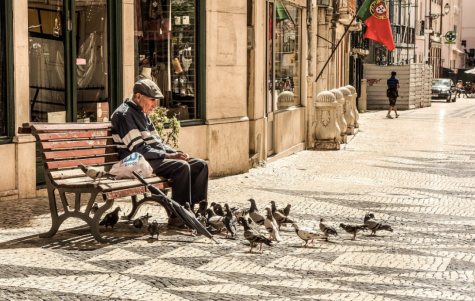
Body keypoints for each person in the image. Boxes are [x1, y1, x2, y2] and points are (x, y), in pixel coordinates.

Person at [110, 79, 208, 228]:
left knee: (200, 165)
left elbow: (158, 144)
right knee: (180, 167)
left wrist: (176, 152)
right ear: (138, 96)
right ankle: (178, 217)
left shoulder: (142, 113)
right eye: (152, 100)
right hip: (136, 163)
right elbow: (138, 149)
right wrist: (169, 156)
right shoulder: (124, 115)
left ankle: (195, 213)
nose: (155, 105)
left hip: (149, 160)